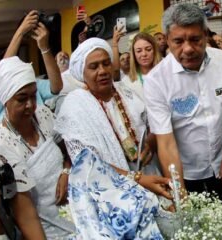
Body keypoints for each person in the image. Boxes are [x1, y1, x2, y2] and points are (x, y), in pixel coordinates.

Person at [55, 37, 172, 239]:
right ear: (82, 73)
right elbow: (89, 165)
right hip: (111, 196)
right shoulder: (74, 107)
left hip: (149, 173)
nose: (102, 71)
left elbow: (150, 127)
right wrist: (137, 180)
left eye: (106, 63)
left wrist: (150, 144)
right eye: (93, 66)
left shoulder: (126, 91)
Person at [144, 3, 222, 207]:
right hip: (186, 174)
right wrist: (180, 195)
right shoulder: (156, 80)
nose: (188, 49)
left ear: (206, 35)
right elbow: (165, 142)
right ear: (167, 41)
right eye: (178, 41)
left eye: (195, 39)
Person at [0, 56, 75, 239]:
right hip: (51, 230)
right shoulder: (2, 148)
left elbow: (69, 149)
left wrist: (67, 171)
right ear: (5, 100)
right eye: (22, 99)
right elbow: (27, 217)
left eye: (33, 95)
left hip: (77, 205)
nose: (30, 105)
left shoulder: (42, 114)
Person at [0, 10, 62, 120]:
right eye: (22, 98)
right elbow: (5, 68)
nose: (30, 104)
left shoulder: (31, 85)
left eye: (32, 97)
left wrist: (44, 47)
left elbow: (56, 87)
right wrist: (20, 31)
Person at [126, 32, 162, 100]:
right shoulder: (127, 81)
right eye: (139, 51)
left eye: (148, 49)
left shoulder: (167, 70)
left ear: (155, 50)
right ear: (134, 54)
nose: (144, 54)